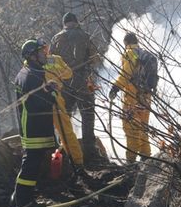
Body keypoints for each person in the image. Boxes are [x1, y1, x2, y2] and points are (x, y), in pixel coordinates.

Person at [10, 38, 57, 207]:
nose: (45, 54)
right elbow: (36, 104)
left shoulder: (29, 71)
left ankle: (24, 200)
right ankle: (22, 202)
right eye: (40, 52)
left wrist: (47, 88)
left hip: (32, 126)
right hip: (33, 127)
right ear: (32, 56)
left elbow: (34, 96)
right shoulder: (31, 75)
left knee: (32, 163)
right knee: (30, 164)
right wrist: (52, 95)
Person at [50, 12, 101, 163]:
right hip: (84, 82)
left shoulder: (56, 38)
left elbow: (50, 61)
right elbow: (96, 58)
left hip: (64, 84)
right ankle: (90, 151)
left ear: (64, 23)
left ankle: (65, 150)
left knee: (65, 118)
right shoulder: (85, 36)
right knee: (87, 115)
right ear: (76, 22)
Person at [39, 39, 85, 170]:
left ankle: (64, 162)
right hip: (54, 99)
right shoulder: (56, 59)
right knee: (66, 132)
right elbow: (68, 73)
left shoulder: (31, 62)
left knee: (50, 133)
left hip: (40, 101)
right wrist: (57, 73)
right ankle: (76, 162)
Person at [108, 32, 152, 162]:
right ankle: (146, 158)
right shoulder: (143, 53)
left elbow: (126, 74)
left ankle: (131, 161)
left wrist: (115, 87)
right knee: (143, 128)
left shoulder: (130, 53)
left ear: (126, 43)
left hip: (132, 97)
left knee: (131, 128)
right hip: (146, 96)